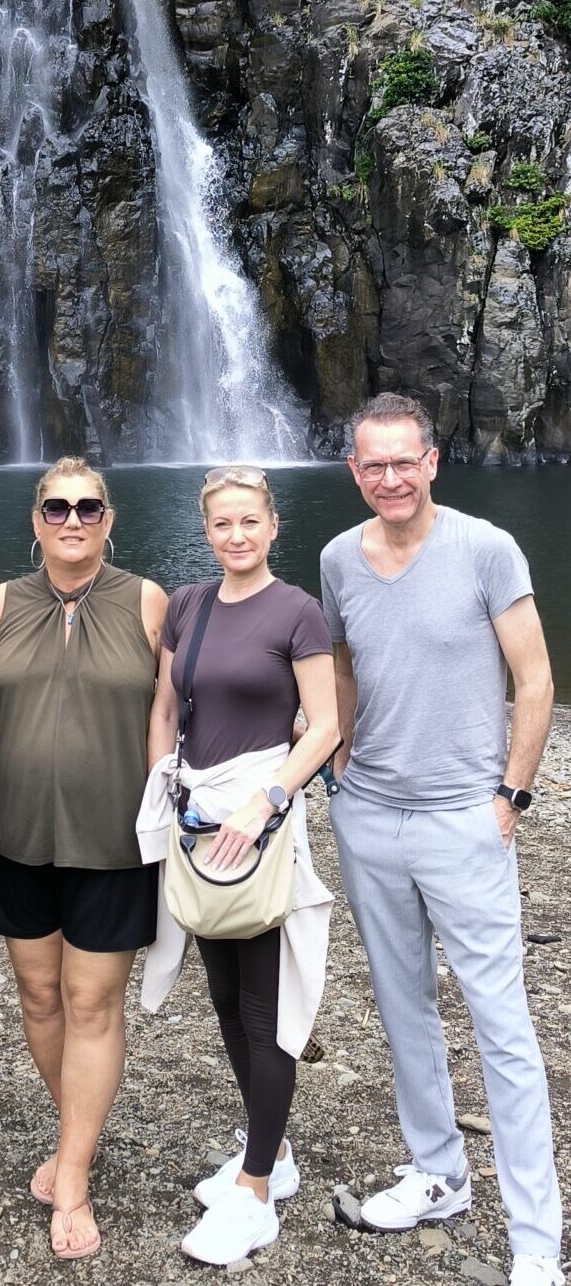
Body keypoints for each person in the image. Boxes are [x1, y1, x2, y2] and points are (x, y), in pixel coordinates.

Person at [321, 392, 563, 1286]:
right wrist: (339, 759)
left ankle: (535, 1241)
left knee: (502, 1027)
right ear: (353, 471)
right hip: (369, 815)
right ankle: (438, 1175)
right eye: (372, 464)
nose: (389, 477)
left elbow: (533, 679)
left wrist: (510, 796)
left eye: (403, 461)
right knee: (402, 1010)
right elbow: (342, 661)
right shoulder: (336, 558)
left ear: (430, 462)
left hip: (465, 816)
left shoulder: (485, 548)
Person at [143, 464, 340, 1269]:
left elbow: (324, 725)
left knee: (264, 1006)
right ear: (206, 530)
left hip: (258, 822)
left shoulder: (296, 612)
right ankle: (273, 1151)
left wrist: (267, 800)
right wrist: (163, 787)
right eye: (221, 523)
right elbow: (165, 708)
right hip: (197, 819)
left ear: (272, 525)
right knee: (222, 996)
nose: (235, 535)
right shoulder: (186, 605)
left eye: (248, 521)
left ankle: (255, 1193)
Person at [0, 456, 167, 1261]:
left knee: (90, 1003)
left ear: (108, 520)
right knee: (38, 994)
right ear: (36, 521)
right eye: (56, 508)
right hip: (12, 835)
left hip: (112, 841)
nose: (72, 520)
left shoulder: (147, 601)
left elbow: (180, 708)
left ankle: (76, 1176)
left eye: (88, 507)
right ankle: (74, 1132)